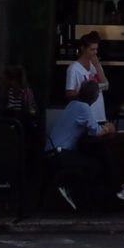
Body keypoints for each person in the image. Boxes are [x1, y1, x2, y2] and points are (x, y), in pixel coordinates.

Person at [46, 81, 115, 210]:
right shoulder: (84, 107)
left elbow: (86, 126)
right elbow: (97, 131)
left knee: (88, 160)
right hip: (61, 154)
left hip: (52, 152)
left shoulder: (72, 104)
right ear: (95, 97)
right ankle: (83, 198)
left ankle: (75, 191)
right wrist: (109, 128)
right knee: (95, 164)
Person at [65, 32, 109, 123]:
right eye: (92, 49)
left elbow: (105, 85)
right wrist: (85, 93)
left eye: (96, 49)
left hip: (100, 115)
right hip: (84, 117)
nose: (95, 52)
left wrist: (97, 66)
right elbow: (69, 94)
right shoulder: (74, 69)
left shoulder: (96, 65)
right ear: (83, 48)